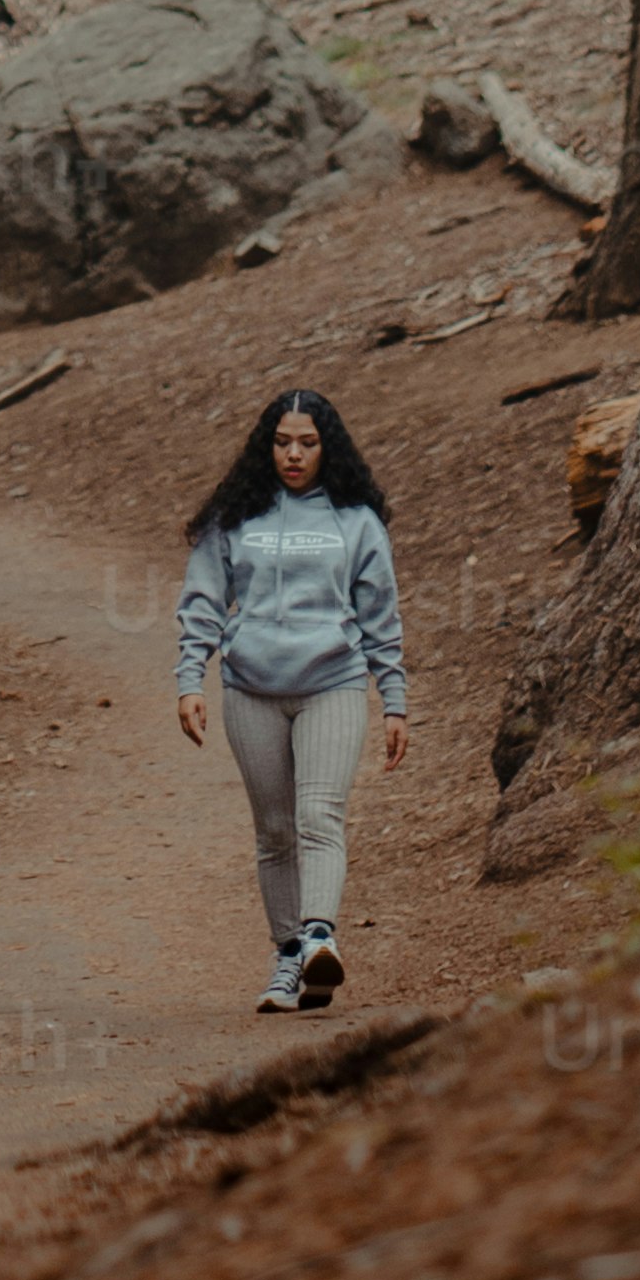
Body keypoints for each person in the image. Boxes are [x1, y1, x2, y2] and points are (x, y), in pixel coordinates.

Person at [175, 382, 408, 1011]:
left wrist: (395, 699)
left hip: (332, 684)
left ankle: (318, 941)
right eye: (282, 443)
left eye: (307, 443)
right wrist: (189, 680)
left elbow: (380, 616)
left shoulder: (356, 524)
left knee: (319, 818)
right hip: (251, 691)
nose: (294, 455)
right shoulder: (235, 518)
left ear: (328, 449)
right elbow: (201, 603)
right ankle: (287, 961)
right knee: (275, 832)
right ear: (266, 448)